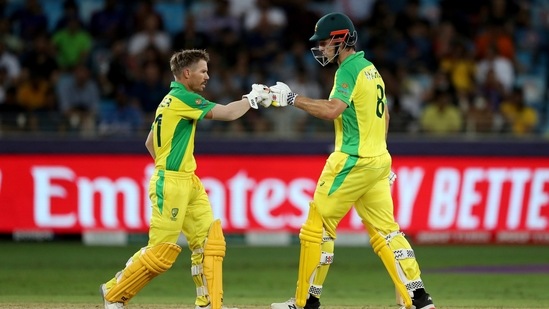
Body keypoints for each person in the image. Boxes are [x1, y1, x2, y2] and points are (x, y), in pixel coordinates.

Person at [268, 13, 436, 309]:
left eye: (324, 42)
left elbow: (333, 109)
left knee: (317, 227)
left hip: (351, 160)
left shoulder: (347, 70)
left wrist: (291, 98)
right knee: (388, 232)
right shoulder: (371, 70)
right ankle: (419, 299)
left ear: (341, 38)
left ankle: (305, 301)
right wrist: (382, 157)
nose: (321, 48)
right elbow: (385, 115)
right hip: (378, 161)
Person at [100, 49, 270, 309]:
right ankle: (113, 292)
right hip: (171, 184)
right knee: (161, 253)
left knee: (209, 242)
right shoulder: (183, 97)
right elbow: (228, 113)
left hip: (188, 181)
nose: (207, 76)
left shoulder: (169, 100)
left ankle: (210, 303)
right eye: (203, 71)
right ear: (187, 73)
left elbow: (149, 142)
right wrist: (252, 98)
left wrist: (169, 163)